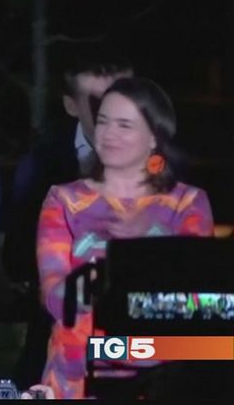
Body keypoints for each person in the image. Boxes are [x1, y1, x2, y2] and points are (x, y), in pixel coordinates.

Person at [36, 77, 214, 399]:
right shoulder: (63, 200)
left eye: (124, 125)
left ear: (154, 137)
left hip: (162, 381)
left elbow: (196, 303)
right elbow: (55, 297)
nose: (108, 134)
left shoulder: (188, 204)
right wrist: (120, 267)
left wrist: (142, 253)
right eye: (103, 121)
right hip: (75, 379)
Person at [4, 52, 134, 389]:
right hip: (59, 331)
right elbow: (17, 258)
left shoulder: (166, 165)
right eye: (98, 101)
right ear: (71, 106)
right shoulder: (41, 167)